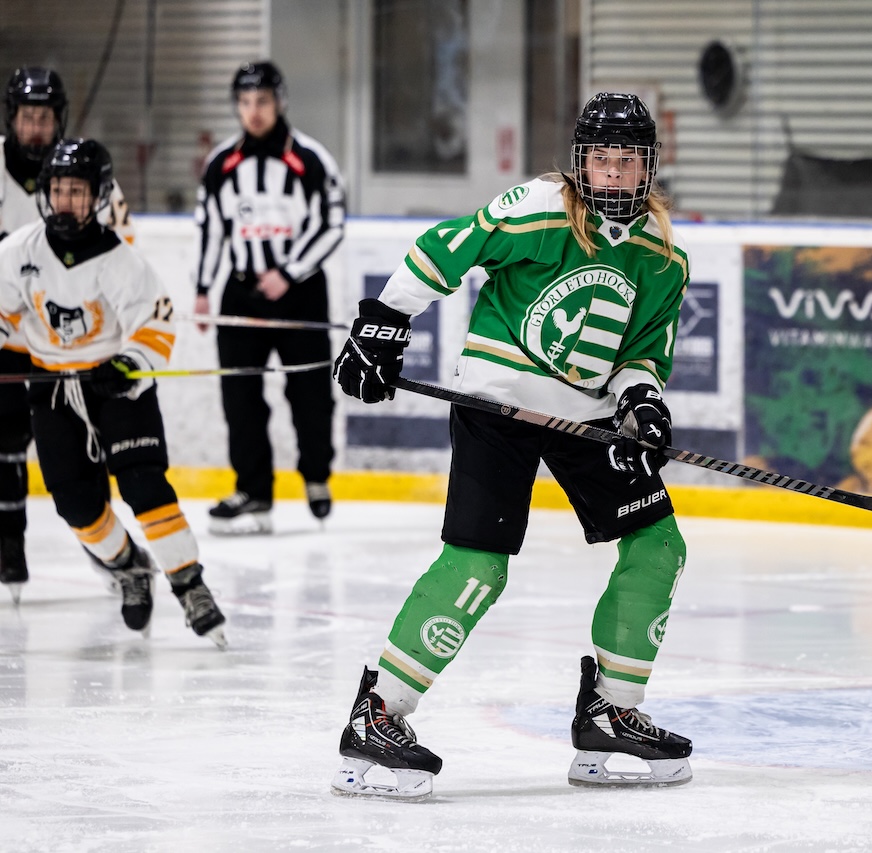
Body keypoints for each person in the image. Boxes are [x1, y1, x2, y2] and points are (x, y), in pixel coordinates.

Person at [328, 93, 693, 800]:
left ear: (649, 167)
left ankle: (611, 711)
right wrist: (383, 319)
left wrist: (642, 401)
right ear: (581, 161)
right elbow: (449, 247)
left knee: (659, 545)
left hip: (586, 415)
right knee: (479, 566)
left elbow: (642, 352)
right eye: (601, 160)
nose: (613, 174)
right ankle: (378, 714)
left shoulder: (661, 256)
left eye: (627, 162)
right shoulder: (540, 208)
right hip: (500, 399)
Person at [0, 138, 226, 647]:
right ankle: (129, 567)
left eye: (77, 191)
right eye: (58, 190)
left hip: (118, 388)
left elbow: (155, 325)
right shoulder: (17, 252)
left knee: (144, 487)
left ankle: (190, 585)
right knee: (75, 505)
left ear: (98, 196)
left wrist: (130, 364)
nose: (65, 201)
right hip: (52, 390)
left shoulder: (122, 262)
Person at [0, 66, 135, 602]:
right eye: (27, 117)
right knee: (4, 443)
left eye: (44, 117)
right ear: (12, 118)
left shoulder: (89, 176)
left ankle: (108, 554)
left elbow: (123, 256)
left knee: (83, 456)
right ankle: (9, 546)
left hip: (71, 346)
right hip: (9, 338)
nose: (35, 128)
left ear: (60, 120)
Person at [193, 60, 344, 535]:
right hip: (240, 294)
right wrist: (202, 289)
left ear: (279, 102)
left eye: (261, 101)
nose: (253, 111)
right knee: (240, 396)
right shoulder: (221, 164)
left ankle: (316, 476)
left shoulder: (311, 159)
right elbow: (209, 230)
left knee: (309, 392)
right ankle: (253, 491)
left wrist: (290, 273)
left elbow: (332, 224)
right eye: (244, 102)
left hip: (301, 293)